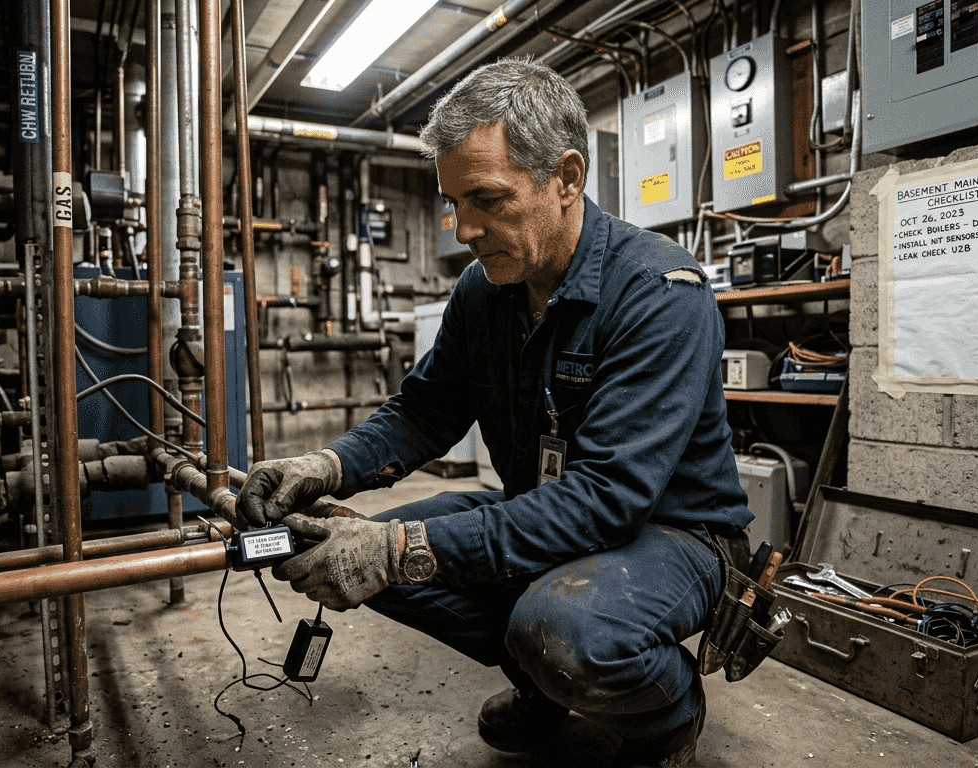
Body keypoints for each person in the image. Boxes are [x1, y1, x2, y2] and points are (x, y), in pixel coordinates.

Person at [238, 58, 753, 767]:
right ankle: (541, 677)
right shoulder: (484, 292)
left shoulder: (659, 290)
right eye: (454, 203)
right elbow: (426, 409)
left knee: (554, 624)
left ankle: (665, 713)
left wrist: (402, 551)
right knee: (354, 545)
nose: (464, 229)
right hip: (555, 511)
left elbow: (606, 500)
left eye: (486, 199)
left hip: (674, 536)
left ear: (566, 179)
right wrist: (325, 466)